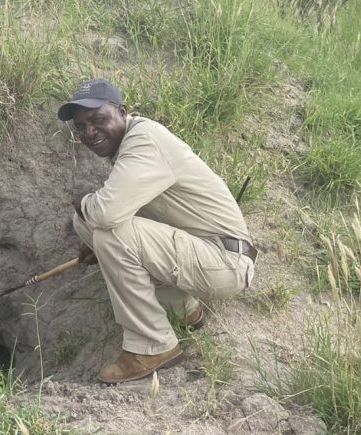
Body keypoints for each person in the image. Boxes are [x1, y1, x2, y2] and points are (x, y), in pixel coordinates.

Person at [57, 79, 256, 384]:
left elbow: (108, 213)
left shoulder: (144, 142)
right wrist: (92, 230)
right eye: (81, 126)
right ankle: (184, 309)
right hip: (206, 252)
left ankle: (151, 346)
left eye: (98, 119)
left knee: (109, 232)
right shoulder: (131, 141)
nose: (89, 132)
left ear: (122, 112)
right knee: (87, 223)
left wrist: (83, 203)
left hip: (225, 262)